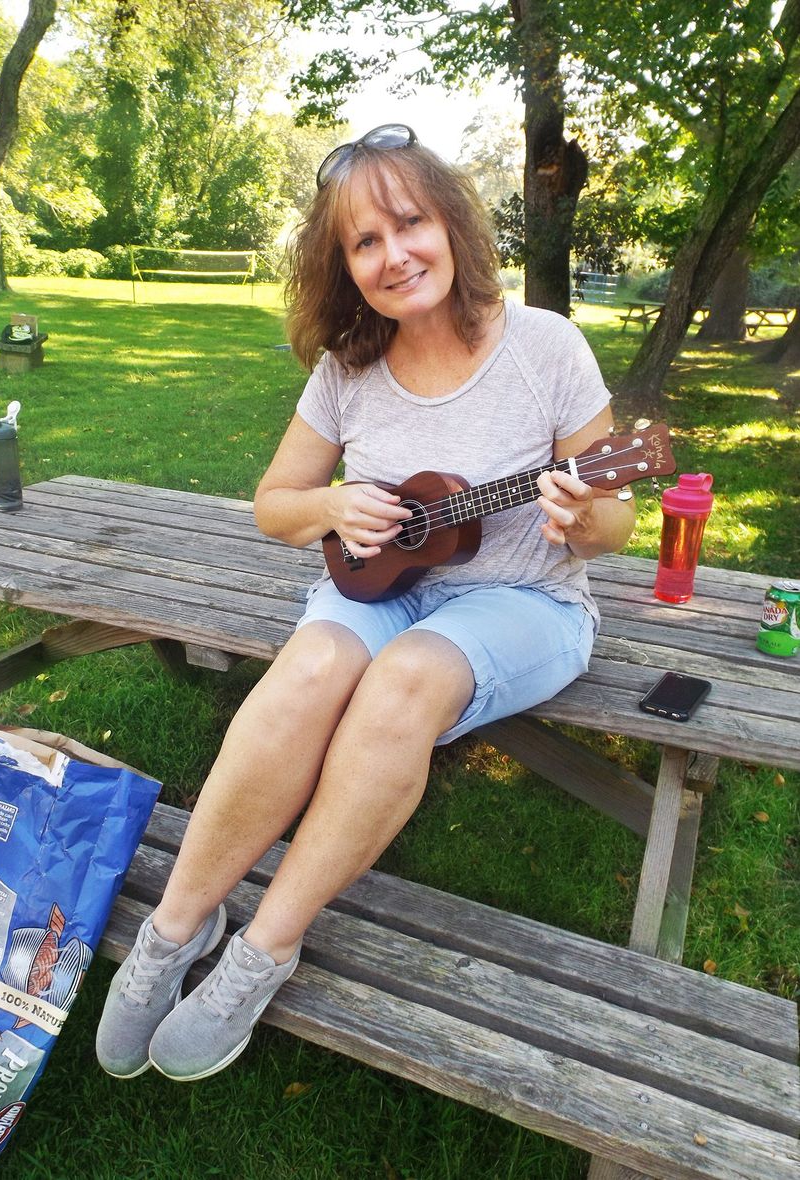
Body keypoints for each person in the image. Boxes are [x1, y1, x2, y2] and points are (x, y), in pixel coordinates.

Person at [95, 123, 636, 1083]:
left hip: (524, 601)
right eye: (364, 241)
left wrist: (582, 516)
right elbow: (275, 506)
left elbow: (616, 521)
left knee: (402, 682)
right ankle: (175, 928)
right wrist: (333, 505)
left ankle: (263, 949)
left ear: (451, 225)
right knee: (308, 667)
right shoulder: (347, 367)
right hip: (381, 585)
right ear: (342, 266)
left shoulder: (544, 346)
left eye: (409, 223)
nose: (395, 255)